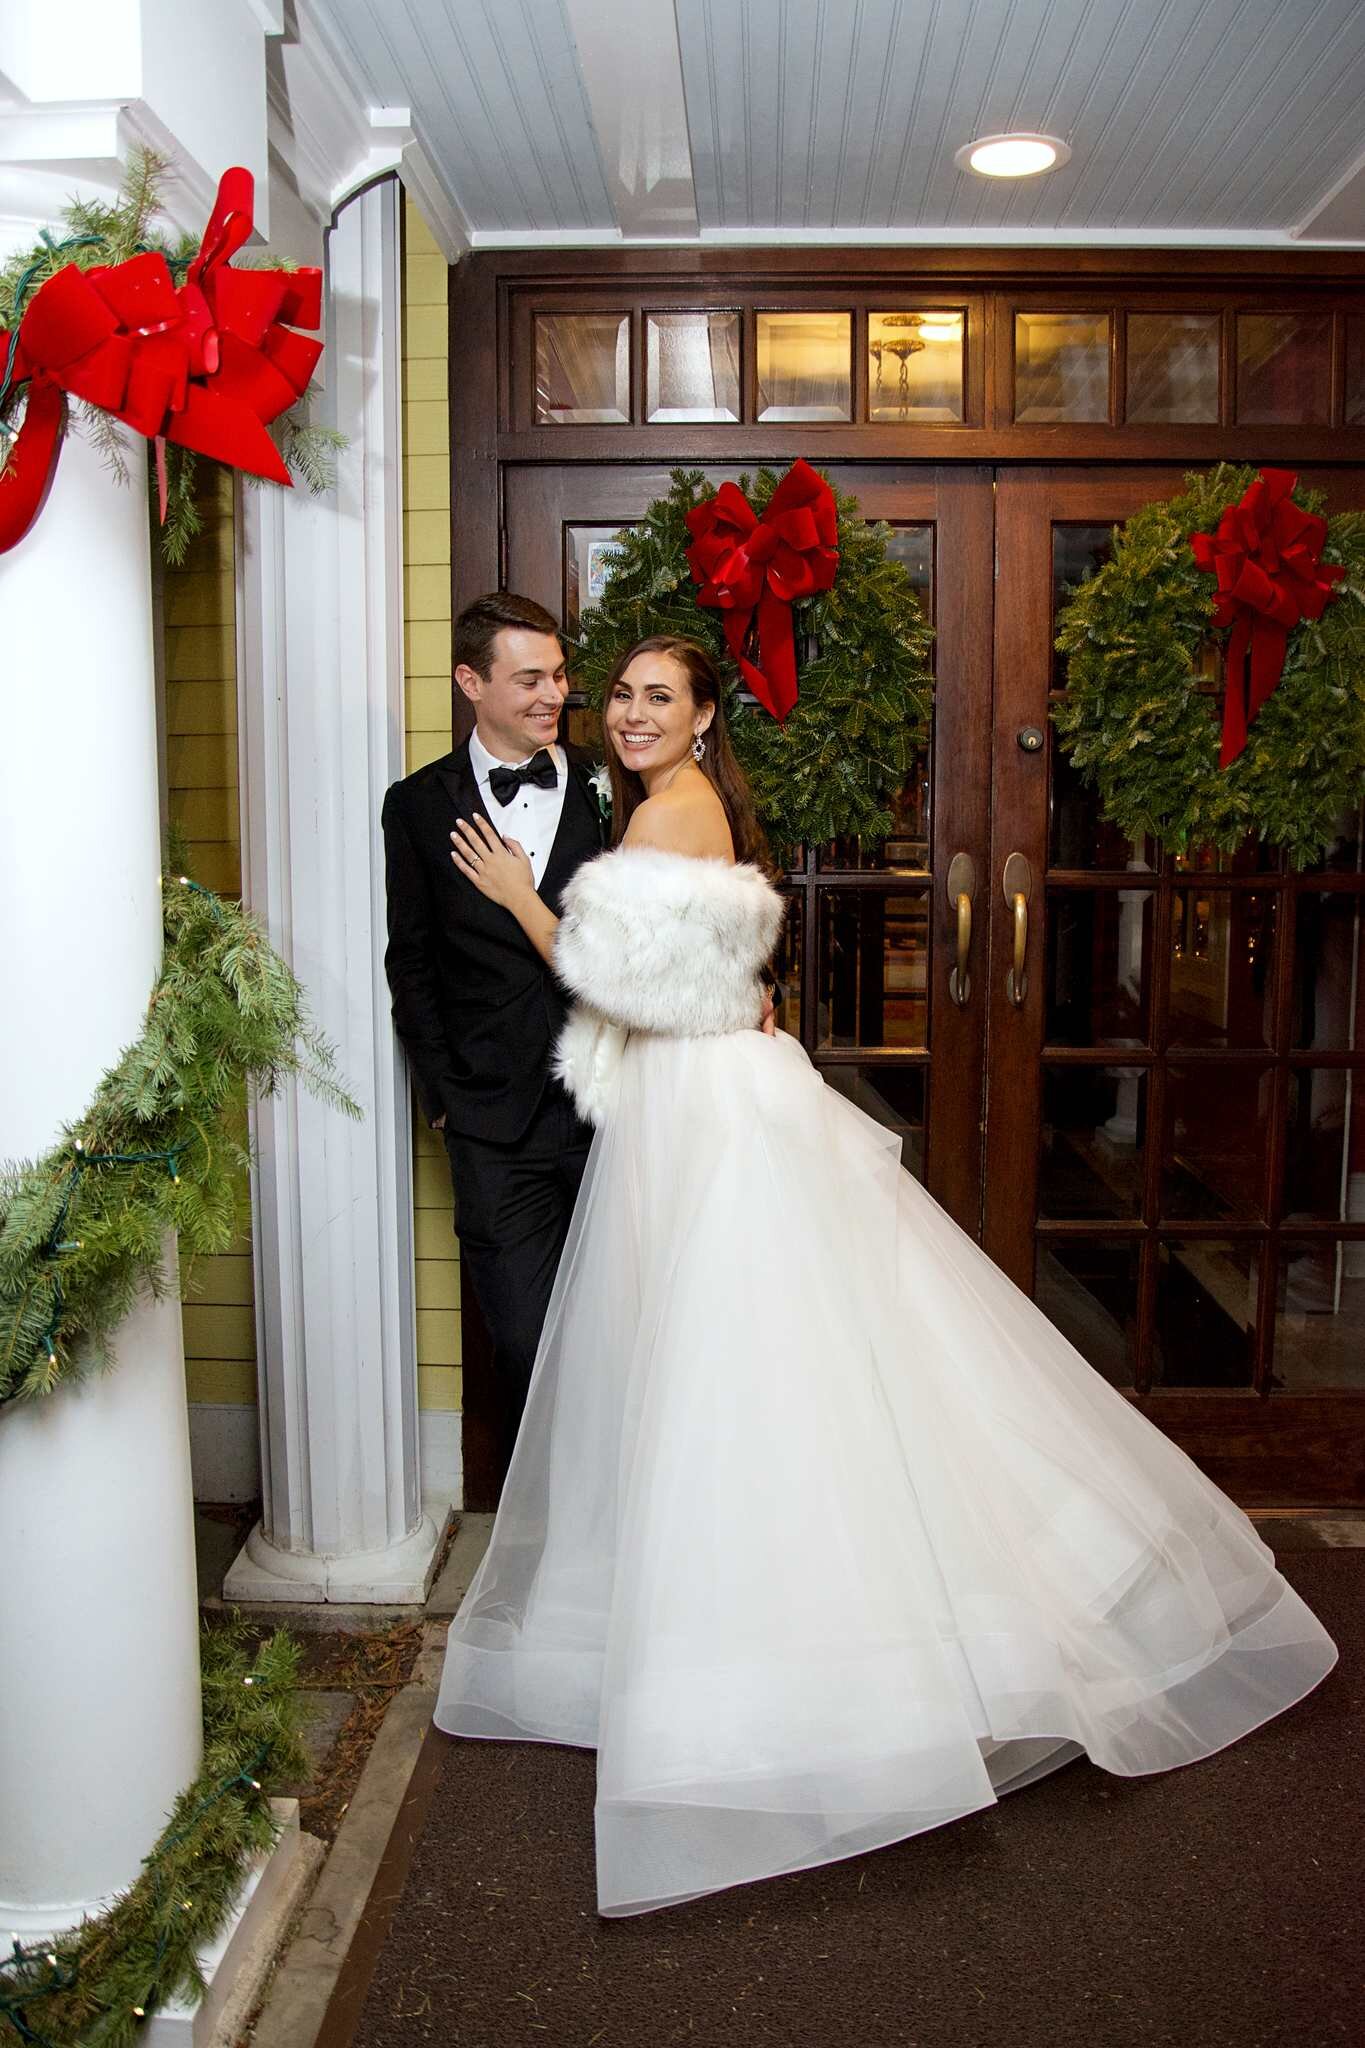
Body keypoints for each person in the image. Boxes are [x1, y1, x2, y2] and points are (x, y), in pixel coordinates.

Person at [432, 633, 1339, 1919]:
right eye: (620, 693)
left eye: (657, 697)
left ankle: (779, 1662)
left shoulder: (672, 814)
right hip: (702, 1106)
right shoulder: (670, 810)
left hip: (709, 1121)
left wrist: (528, 899)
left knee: (740, 1374)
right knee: (766, 1365)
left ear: (701, 722)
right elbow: (703, 981)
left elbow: (626, 989)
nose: (629, 714)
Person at [381, 592, 605, 1468]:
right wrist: (445, 1102)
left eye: (557, 675)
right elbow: (413, 965)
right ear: (470, 681)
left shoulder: (607, 785)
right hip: (491, 1126)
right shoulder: (414, 806)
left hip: (612, 1108)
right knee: (523, 1340)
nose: (554, 694)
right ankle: (548, 1538)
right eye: (529, 679)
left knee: (628, 1333)